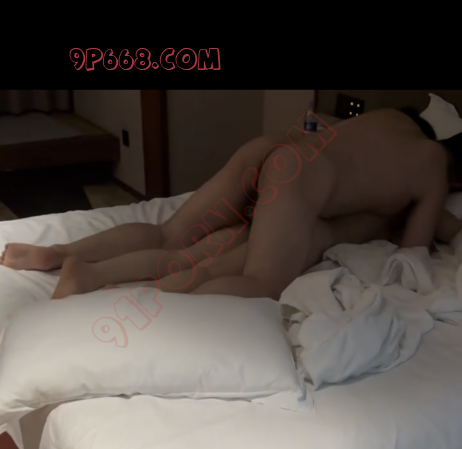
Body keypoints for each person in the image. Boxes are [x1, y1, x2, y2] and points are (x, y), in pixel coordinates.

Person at [1, 107, 462, 300]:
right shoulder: (432, 162)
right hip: (301, 181)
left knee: (169, 234)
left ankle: (63, 257)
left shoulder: (385, 118)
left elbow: (319, 127)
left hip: (274, 151)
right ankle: (157, 313)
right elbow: (413, 253)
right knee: (261, 283)